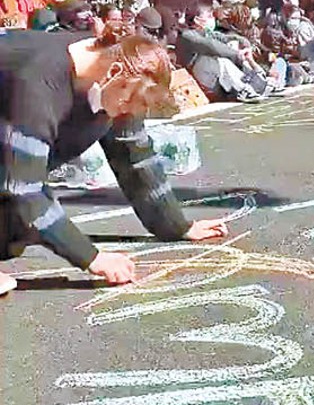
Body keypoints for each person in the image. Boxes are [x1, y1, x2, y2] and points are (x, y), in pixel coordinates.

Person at [0, 29, 228, 296]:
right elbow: (23, 187)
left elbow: (134, 156)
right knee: (21, 208)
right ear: (115, 72)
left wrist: (177, 226)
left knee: (15, 228)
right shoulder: (37, 83)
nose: (126, 115)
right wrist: (91, 257)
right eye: (128, 104)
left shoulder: (118, 73)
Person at [174, 2, 262, 103]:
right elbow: (210, 45)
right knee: (219, 58)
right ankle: (242, 89)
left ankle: (254, 81)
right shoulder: (187, 36)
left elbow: (222, 37)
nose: (213, 18)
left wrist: (240, 40)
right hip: (197, 80)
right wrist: (236, 54)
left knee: (230, 45)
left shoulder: (205, 32)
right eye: (209, 15)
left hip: (210, 77)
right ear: (197, 20)